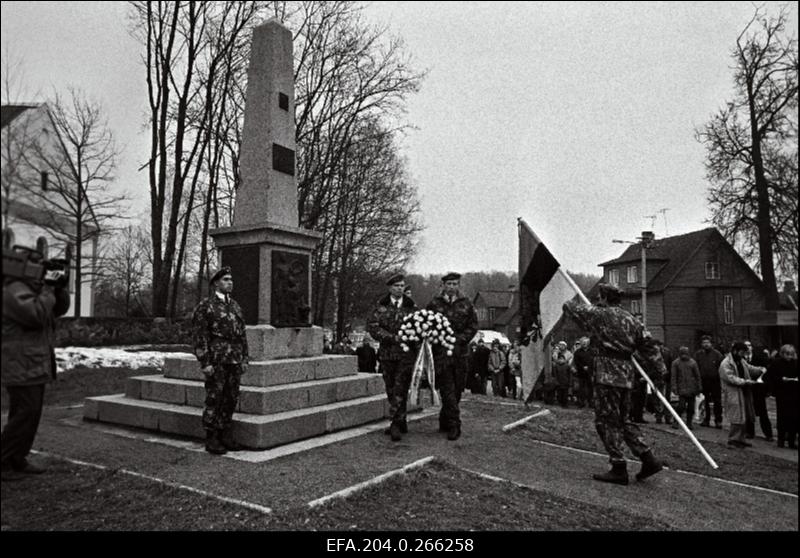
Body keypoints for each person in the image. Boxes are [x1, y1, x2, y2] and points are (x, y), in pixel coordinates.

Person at [562, 283, 665, 485]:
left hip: (606, 373)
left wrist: (570, 301)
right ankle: (648, 457)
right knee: (623, 419)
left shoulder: (600, 315)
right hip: (626, 374)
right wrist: (660, 371)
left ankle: (618, 466)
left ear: (604, 298)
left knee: (606, 421)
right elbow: (651, 348)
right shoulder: (633, 321)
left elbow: (570, 307)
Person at [2, 252, 70, 481]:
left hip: (32, 363)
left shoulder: (31, 289)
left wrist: (59, 287)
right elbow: (37, 315)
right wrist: (48, 290)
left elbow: (57, 310)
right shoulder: (11, 290)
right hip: (20, 363)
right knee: (25, 413)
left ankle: (16, 458)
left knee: (29, 413)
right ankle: (4, 461)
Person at [191, 266, 249, 455]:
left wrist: (244, 358)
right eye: (225, 279)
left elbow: (242, 335)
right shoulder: (206, 306)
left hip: (234, 360)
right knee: (214, 398)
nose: (229, 282)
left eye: (231, 279)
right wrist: (205, 362)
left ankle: (225, 434)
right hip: (216, 360)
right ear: (216, 283)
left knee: (230, 398)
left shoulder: (235, 306)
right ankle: (212, 436)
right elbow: (200, 336)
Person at [426, 272, 478, 440]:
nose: (452, 287)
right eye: (449, 284)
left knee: (457, 390)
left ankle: (444, 418)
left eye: (455, 284)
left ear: (458, 285)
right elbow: (426, 324)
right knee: (447, 388)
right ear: (443, 285)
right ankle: (455, 425)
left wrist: (459, 339)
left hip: (460, 353)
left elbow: (473, 326)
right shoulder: (435, 303)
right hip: (441, 354)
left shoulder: (466, 303)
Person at [366, 273, 416, 441]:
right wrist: (392, 337)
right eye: (396, 286)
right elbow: (373, 327)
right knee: (390, 388)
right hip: (387, 353)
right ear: (390, 288)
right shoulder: (381, 305)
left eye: (402, 286)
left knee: (401, 387)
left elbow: (419, 326)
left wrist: (409, 338)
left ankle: (394, 424)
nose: (400, 288)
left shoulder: (411, 306)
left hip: (405, 354)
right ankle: (401, 419)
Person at [719, 341, 765, 449]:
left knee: (745, 416)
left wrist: (759, 370)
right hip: (733, 393)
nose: (743, 354)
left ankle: (741, 439)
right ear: (735, 351)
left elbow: (749, 368)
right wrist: (745, 381)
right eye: (742, 352)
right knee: (736, 417)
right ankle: (733, 439)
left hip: (743, 392)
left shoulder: (741, 361)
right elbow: (730, 378)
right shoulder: (726, 363)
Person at [765, 344, 798, 449]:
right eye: (787, 354)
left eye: (791, 354)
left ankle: (792, 441)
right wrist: (780, 381)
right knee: (782, 417)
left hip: (794, 393)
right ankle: (781, 440)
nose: (789, 357)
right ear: (783, 354)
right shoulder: (776, 363)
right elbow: (770, 377)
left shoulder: (795, 363)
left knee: (794, 418)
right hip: (782, 394)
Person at [694, 335, 724, 428]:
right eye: (704, 343)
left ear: (711, 344)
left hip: (715, 381)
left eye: (707, 343)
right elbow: (696, 368)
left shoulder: (717, 354)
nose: (706, 344)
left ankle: (718, 420)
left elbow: (722, 368)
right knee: (705, 401)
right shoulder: (698, 355)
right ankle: (706, 419)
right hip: (703, 381)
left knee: (717, 401)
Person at [669, 347, 702, 429]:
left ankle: (689, 422)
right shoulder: (676, 363)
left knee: (691, 407)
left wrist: (699, 386)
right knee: (681, 407)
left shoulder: (693, 363)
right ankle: (676, 421)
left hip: (692, 388)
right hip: (681, 388)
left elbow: (697, 376)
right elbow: (673, 376)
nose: (684, 356)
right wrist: (674, 387)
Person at [746, 344, 774, 441]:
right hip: (747, 388)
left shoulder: (759, 357)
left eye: (749, 345)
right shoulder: (741, 359)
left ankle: (768, 434)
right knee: (749, 411)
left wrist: (767, 388)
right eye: (745, 346)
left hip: (758, 389)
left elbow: (766, 372)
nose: (747, 347)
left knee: (763, 412)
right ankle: (749, 432)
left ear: (751, 347)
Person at [572, 337, 594, 408]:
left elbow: (594, 360)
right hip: (581, 372)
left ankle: (591, 403)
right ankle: (581, 403)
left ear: (588, 343)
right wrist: (582, 367)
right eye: (583, 342)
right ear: (581, 343)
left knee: (590, 389)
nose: (584, 344)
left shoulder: (592, 351)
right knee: (581, 389)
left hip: (590, 372)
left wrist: (589, 367)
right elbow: (576, 361)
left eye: (586, 342)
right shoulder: (577, 352)